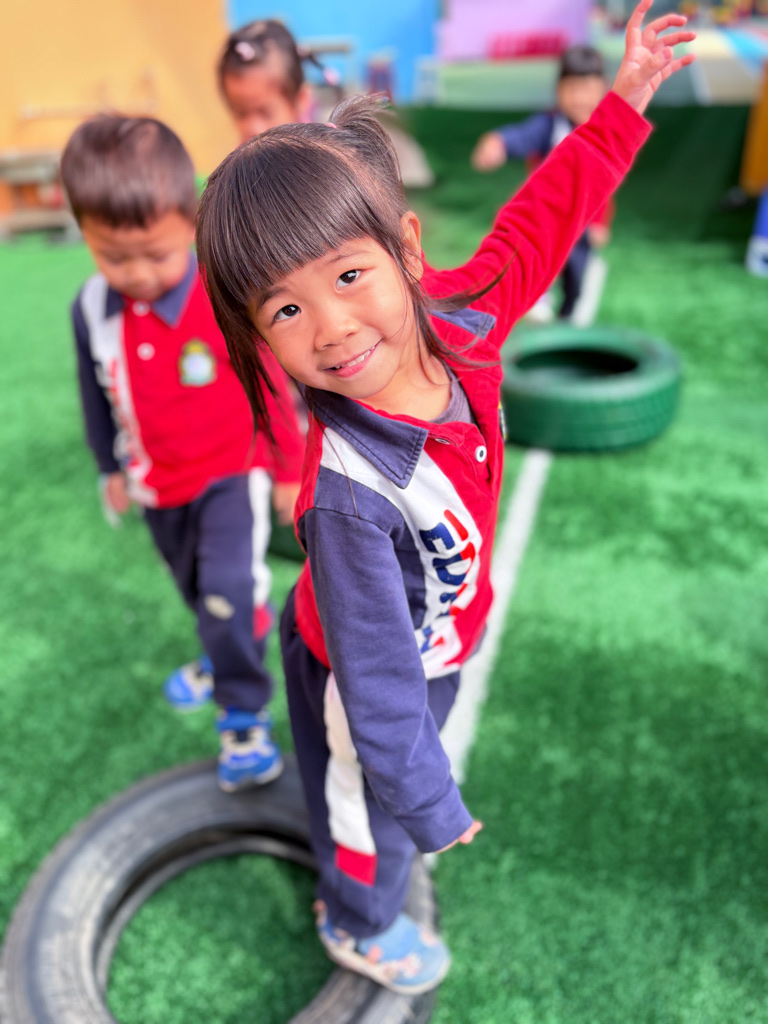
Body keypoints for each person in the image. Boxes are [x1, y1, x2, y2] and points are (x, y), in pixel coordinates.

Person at [196, 0, 694, 993]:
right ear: (257, 335)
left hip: (436, 633)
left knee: (392, 766)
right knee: (367, 802)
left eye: (350, 274)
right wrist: (427, 800)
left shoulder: (462, 320)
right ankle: (357, 921)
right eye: (286, 308)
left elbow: (542, 220)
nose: (332, 327)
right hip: (358, 664)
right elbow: (379, 686)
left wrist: (623, 105)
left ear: (409, 252)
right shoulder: (347, 496)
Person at [61, 115, 305, 790]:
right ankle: (223, 643)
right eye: (115, 257)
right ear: (83, 231)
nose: (137, 274)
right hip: (157, 487)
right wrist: (109, 466)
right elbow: (94, 392)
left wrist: (288, 469)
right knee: (201, 594)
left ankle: (243, 712)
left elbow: (271, 382)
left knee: (226, 591)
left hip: (232, 472)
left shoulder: (221, 291)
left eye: (157, 254)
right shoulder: (92, 309)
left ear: (190, 224)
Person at [472, 44, 615, 320]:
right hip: (545, 215)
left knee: (577, 277)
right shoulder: (550, 124)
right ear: (558, 90)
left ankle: (571, 310)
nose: (579, 98)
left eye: (588, 89)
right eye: (571, 89)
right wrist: (498, 142)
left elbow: (604, 183)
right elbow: (521, 136)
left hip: (582, 222)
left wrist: (599, 222)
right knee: (533, 256)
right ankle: (539, 298)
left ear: (603, 89)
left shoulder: (602, 133)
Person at [217, 18, 339, 143]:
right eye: (241, 113)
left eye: (266, 113)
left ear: (301, 99)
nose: (253, 129)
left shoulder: (316, 152)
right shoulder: (244, 153)